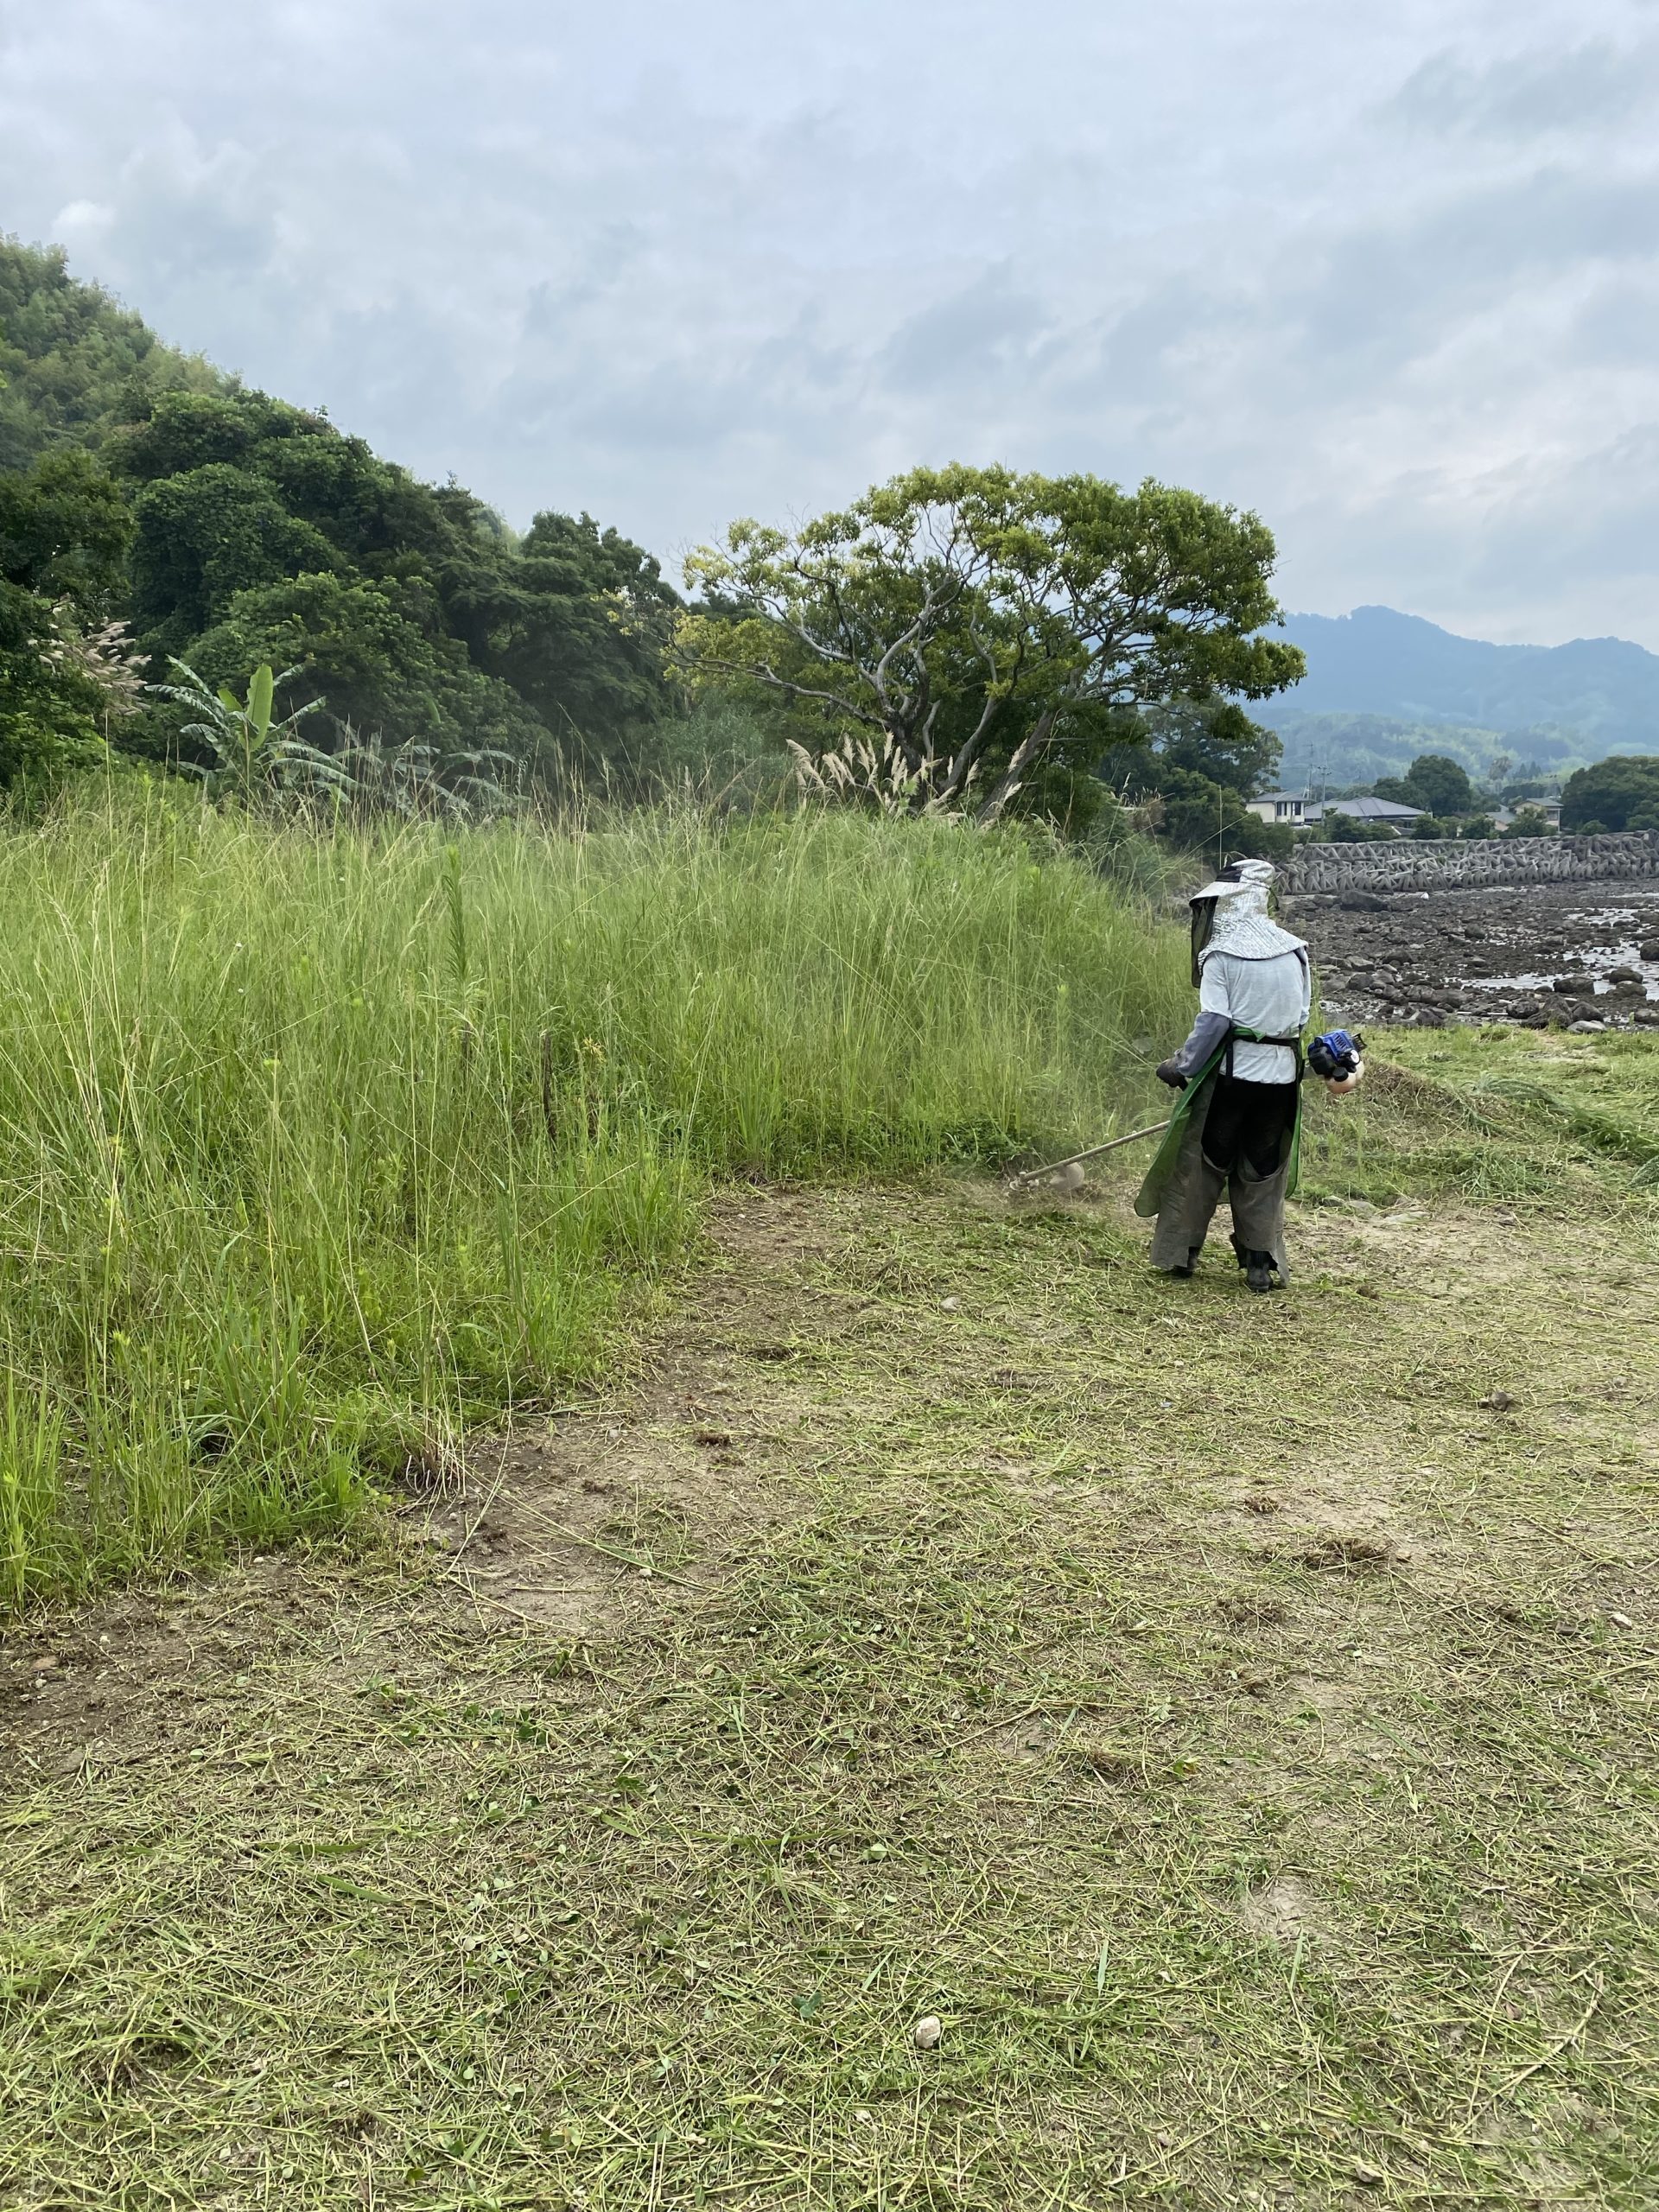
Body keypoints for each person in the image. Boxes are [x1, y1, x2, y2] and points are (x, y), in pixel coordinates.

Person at [1135, 858, 1312, 1292]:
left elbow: (1214, 1021)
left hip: (1234, 1080)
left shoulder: (1220, 956)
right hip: (1282, 1082)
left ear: (1226, 905)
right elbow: (1301, 1018)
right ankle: (1259, 1265)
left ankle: (1182, 1255)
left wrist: (1181, 1066)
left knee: (1204, 1164)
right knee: (1262, 1170)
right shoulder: (1296, 951)